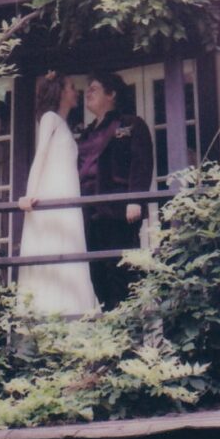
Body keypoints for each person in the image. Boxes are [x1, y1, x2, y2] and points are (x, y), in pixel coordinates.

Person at [17, 72, 98, 315]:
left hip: (67, 195)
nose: (76, 92)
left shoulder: (63, 124)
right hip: (53, 193)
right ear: (61, 92)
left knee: (69, 248)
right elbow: (40, 154)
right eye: (72, 87)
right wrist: (29, 194)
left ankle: (73, 310)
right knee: (54, 247)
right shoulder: (50, 118)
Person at [77, 71, 154, 310]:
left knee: (120, 273)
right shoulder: (86, 133)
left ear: (111, 95)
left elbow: (141, 163)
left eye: (95, 88)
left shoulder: (130, 124)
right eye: (87, 88)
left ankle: (127, 338)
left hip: (117, 211)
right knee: (95, 274)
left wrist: (135, 200)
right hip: (87, 215)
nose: (88, 92)